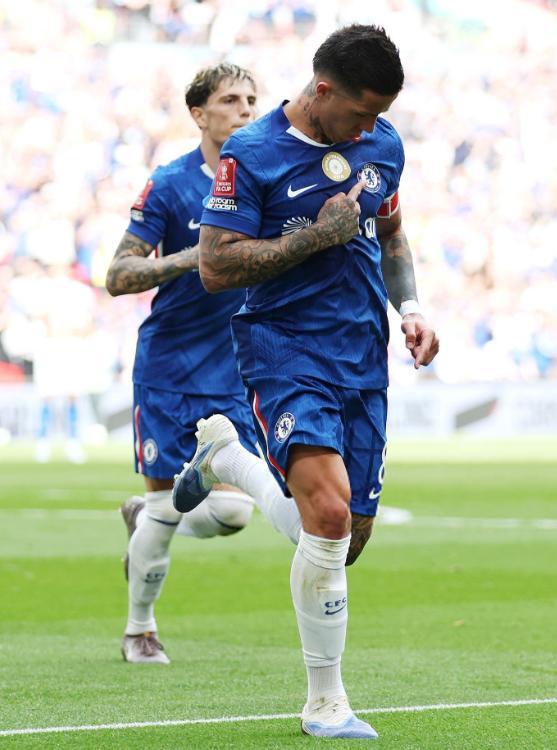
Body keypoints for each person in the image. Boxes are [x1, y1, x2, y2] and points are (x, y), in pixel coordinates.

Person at [173, 25, 439, 739]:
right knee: (325, 515)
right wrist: (314, 237)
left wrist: (411, 308)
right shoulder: (252, 154)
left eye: (380, 114)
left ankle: (230, 460)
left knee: (343, 537)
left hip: (363, 354)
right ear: (322, 90)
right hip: (282, 347)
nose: (370, 127)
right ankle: (325, 702)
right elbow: (214, 267)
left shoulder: (382, 145)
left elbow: (391, 236)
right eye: (361, 112)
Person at [105, 63, 294, 665]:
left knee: (233, 511)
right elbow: (118, 274)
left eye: (251, 100)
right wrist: (191, 258)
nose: (245, 110)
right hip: (168, 368)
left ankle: (146, 516)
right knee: (167, 509)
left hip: (235, 370)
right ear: (198, 114)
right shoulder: (170, 184)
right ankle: (139, 630)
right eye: (230, 100)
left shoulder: (267, 181)